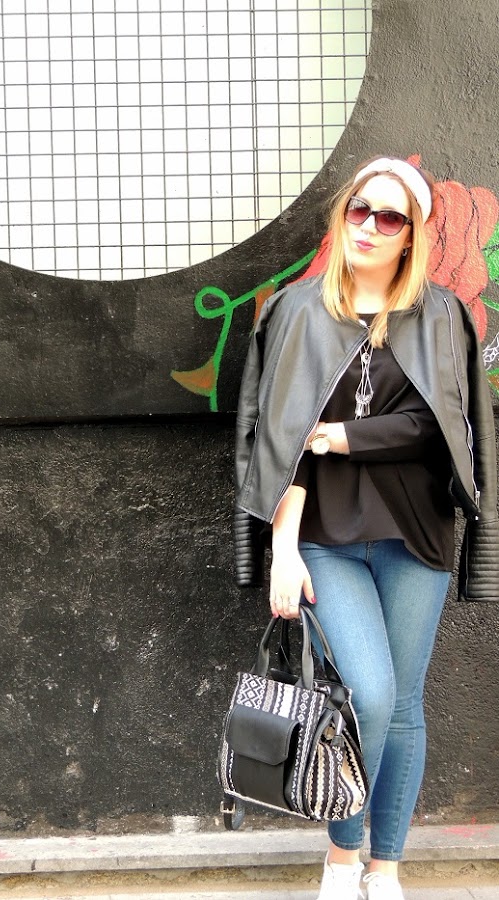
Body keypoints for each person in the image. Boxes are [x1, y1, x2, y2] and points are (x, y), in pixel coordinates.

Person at [233, 156, 499, 900]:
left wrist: (345, 437)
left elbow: (441, 427)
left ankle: (386, 868)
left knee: (404, 705)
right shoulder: (296, 310)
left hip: (415, 532)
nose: (370, 227)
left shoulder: (441, 314)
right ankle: (342, 856)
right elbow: (279, 438)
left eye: (389, 217)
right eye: (359, 209)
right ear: (341, 215)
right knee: (368, 696)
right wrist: (283, 549)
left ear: (412, 235)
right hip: (325, 536)